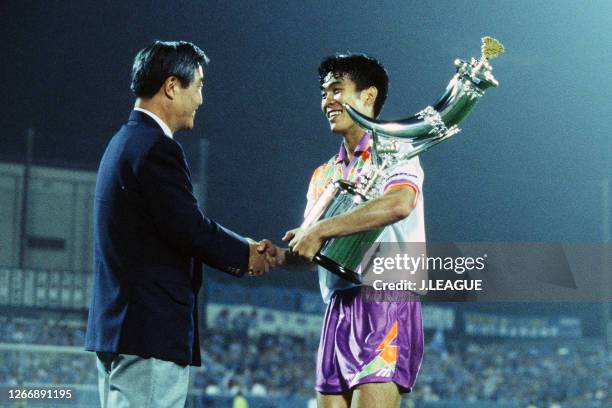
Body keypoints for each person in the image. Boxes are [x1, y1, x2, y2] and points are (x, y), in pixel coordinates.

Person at [85, 40, 280, 408]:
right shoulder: (156, 147)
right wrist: (246, 253)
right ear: (172, 86)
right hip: (149, 333)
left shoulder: (122, 142)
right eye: (199, 86)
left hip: (121, 330)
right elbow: (188, 227)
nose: (202, 99)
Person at [282, 54, 425, 408]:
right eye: (323, 92)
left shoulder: (396, 149)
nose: (327, 100)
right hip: (337, 307)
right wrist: (281, 253)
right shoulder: (323, 174)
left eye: (336, 90)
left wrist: (320, 230)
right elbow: (311, 249)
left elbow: (399, 204)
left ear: (368, 96)